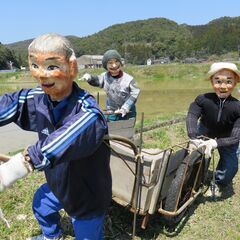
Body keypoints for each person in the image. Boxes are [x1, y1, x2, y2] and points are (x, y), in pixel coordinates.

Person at [0, 33, 112, 240]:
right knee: (40, 205)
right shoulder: (37, 98)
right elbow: (10, 103)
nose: (42, 75)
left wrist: (13, 169)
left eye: (52, 66)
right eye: (35, 65)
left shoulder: (88, 112)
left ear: (72, 67)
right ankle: (52, 236)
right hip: (58, 184)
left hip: (86, 192)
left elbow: (63, 139)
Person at [186, 62, 240, 197]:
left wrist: (217, 143)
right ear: (211, 81)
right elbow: (192, 115)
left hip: (227, 136)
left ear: (235, 83)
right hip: (205, 130)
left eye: (228, 81)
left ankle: (218, 182)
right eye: (218, 81)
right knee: (195, 155)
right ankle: (194, 177)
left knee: (231, 166)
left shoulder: (238, 107)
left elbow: (235, 137)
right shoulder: (203, 99)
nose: (223, 86)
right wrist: (193, 136)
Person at [80, 49, 140, 121]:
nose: (114, 65)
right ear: (106, 65)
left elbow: (135, 93)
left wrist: (126, 107)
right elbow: (97, 80)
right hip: (112, 111)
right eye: (110, 63)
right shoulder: (104, 77)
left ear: (120, 63)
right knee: (111, 130)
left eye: (116, 62)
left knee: (126, 130)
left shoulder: (129, 79)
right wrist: (89, 78)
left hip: (128, 111)